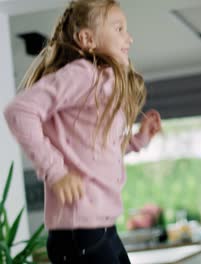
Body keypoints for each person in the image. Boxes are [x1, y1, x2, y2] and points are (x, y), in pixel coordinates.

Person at [3, 0, 161, 263]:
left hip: (102, 228)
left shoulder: (101, 83)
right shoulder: (83, 75)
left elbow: (99, 150)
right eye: (119, 28)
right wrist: (55, 171)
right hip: (79, 231)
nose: (129, 38)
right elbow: (20, 112)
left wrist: (139, 140)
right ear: (87, 38)